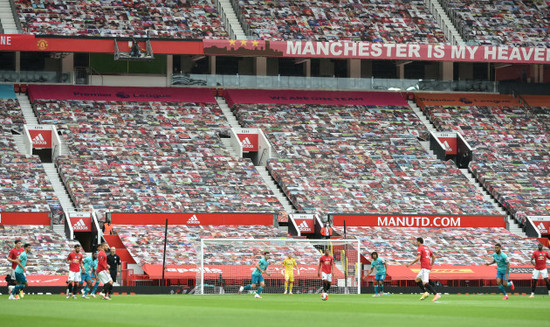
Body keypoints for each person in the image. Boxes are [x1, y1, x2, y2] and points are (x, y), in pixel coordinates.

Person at [406, 237, 441, 301]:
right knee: (417, 280)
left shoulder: (420, 248)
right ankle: (425, 292)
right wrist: (431, 265)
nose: (416, 243)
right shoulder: (426, 248)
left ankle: (436, 294)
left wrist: (410, 264)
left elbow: (418, 258)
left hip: (425, 267)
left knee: (425, 283)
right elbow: (433, 256)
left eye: (416, 241)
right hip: (425, 267)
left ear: (419, 241)